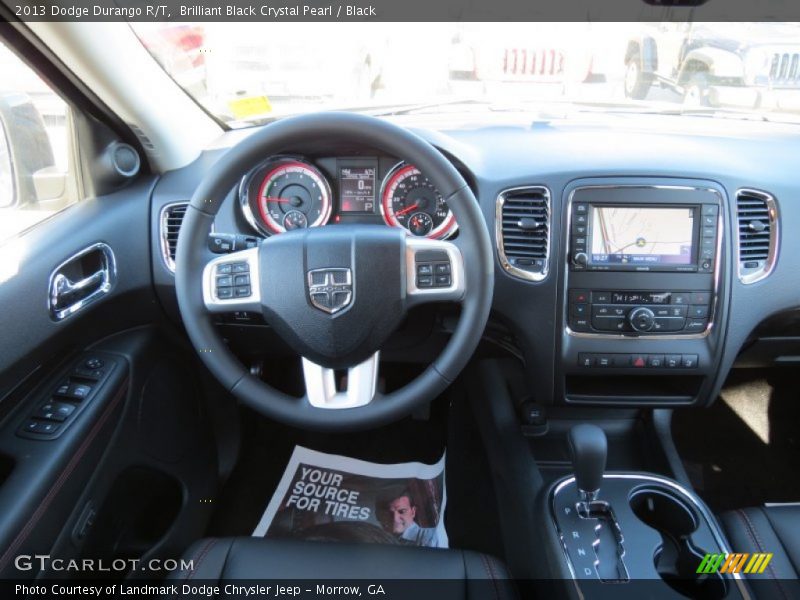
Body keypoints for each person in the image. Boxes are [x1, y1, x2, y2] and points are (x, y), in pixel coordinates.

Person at [377, 489, 442, 547]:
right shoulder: (380, 541)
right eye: (388, 513)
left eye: (402, 511)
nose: (395, 519)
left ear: (413, 512)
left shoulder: (433, 536)